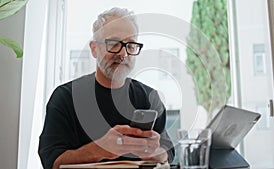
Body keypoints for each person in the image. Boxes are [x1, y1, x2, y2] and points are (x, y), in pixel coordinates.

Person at [38, 7, 175, 169]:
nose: (123, 54)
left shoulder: (149, 96)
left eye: (130, 46)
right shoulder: (65, 97)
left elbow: (169, 154)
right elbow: (52, 162)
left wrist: (154, 152)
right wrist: (100, 149)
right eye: (115, 44)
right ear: (94, 48)